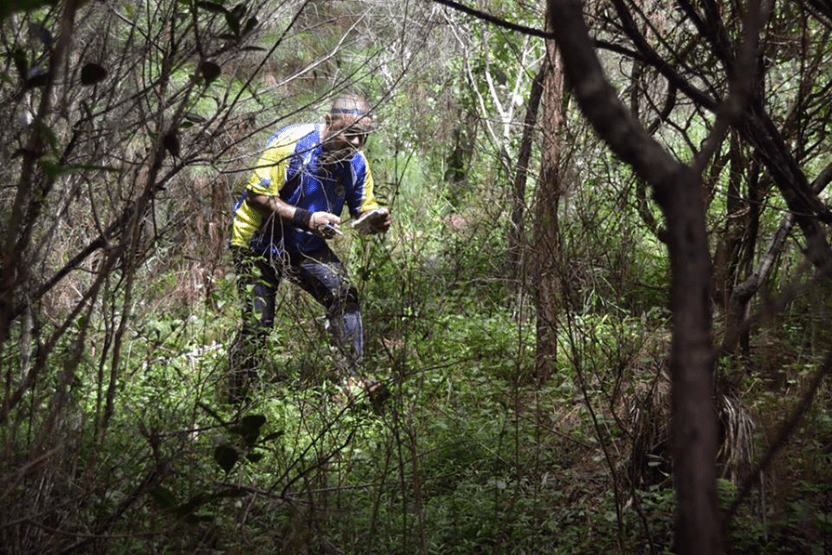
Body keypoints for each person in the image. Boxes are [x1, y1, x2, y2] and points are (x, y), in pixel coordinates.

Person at [228, 94, 391, 401]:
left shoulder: (356, 162)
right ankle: (235, 400)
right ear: (329, 123)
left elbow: (363, 209)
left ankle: (350, 383)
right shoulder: (292, 142)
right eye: (350, 133)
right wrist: (307, 218)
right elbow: (256, 196)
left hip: (305, 245)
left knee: (344, 295)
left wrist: (375, 220)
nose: (356, 142)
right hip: (256, 243)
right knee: (258, 325)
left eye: (362, 136)